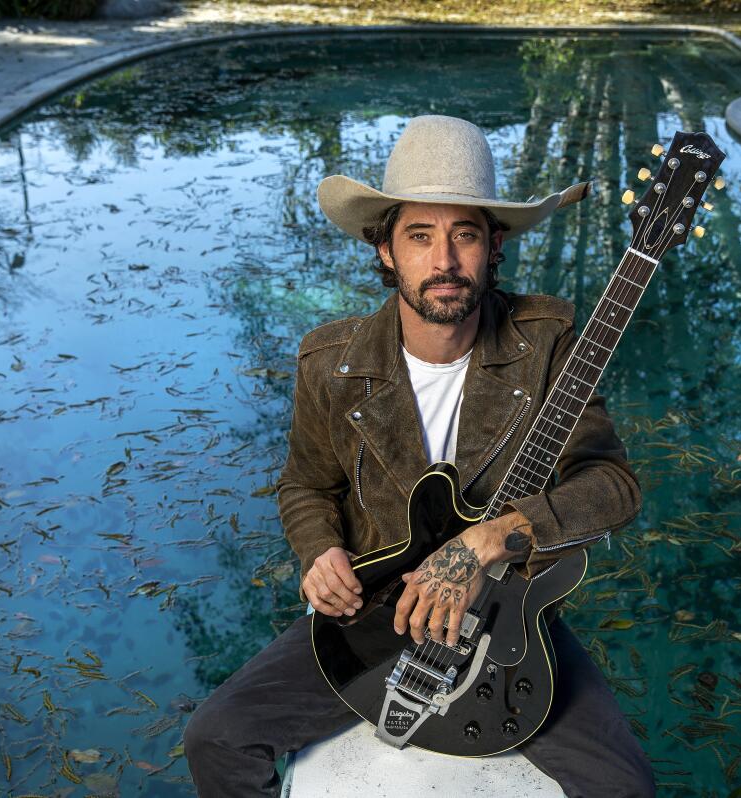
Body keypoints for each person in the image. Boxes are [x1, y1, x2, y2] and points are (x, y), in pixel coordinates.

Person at [182, 115, 657, 797]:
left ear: (493, 247)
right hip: (377, 611)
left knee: (626, 788)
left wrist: (492, 539)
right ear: (384, 251)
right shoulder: (331, 362)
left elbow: (613, 486)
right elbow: (305, 486)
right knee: (216, 738)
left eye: (464, 234)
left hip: (508, 616)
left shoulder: (548, 339)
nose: (444, 261)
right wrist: (319, 552)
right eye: (419, 236)